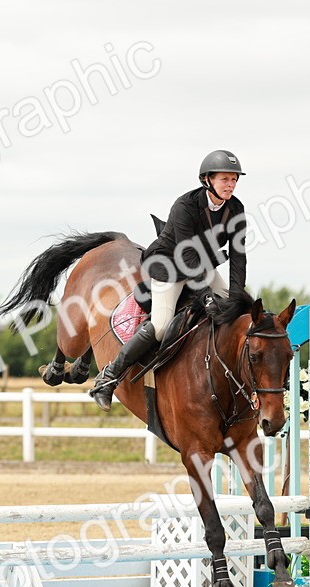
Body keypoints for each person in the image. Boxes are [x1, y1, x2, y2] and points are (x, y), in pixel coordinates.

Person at [89, 149, 250, 411]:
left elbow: (239, 257)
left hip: (202, 264)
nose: (230, 185)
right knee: (162, 326)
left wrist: (236, 297)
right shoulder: (185, 206)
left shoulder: (236, 209)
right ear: (207, 179)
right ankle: (108, 378)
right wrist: (206, 296)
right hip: (170, 264)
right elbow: (186, 253)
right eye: (225, 179)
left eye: (234, 180)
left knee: (238, 313)